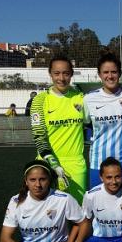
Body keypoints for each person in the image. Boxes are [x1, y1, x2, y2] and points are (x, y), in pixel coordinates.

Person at [30, 56, 87, 203]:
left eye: (66, 73)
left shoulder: (81, 97)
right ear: (50, 74)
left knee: (79, 214)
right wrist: (55, 166)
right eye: (57, 73)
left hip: (76, 165)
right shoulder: (39, 100)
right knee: (48, 214)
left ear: (71, 74)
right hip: (48, 165)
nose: (61, 78)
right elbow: (39, 138)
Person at [84, 53, 122, 188]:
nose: (110, 76)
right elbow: (85, 125)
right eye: (106, 72)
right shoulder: (89, 99)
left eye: (114, 72)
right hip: (99, 163)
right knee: (99, 206)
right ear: (99, 74)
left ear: (120, 73)